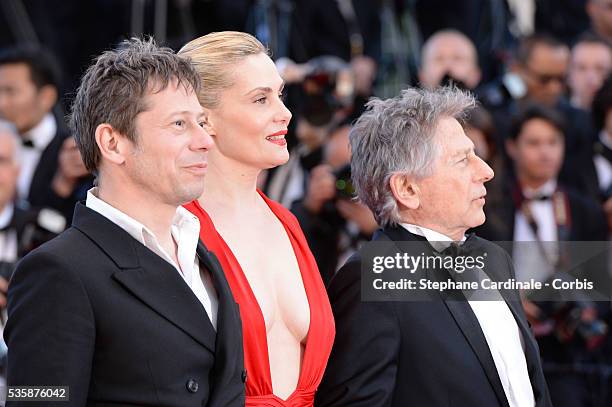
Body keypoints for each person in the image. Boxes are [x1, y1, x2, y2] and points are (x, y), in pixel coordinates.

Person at [4, 38, 245, 406]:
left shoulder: (202, 253)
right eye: (179, 123)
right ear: (113, 143)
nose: (204, 141)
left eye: (201, 122)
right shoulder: (57, 272)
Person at [316, 86, 552, 407]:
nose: (486, 171)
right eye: (462, 160)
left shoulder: (494, 258)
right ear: (407, 188)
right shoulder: (371, 277)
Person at [179, 31, 335, 406]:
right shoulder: (177, 229)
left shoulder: (287, 222)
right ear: (206, 119)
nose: (285, 113)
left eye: (279, 95)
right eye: (260, 99)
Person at [0, 46, 92, 223]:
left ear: (46, 97)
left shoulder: (75, 151)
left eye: (10, 92)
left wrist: (61, 185)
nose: (2, 103)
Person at [567, 34, 612, 111]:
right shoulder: (555, 116)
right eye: (581, 68)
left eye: (600, 69)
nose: (590, 77)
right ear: (568, 75)